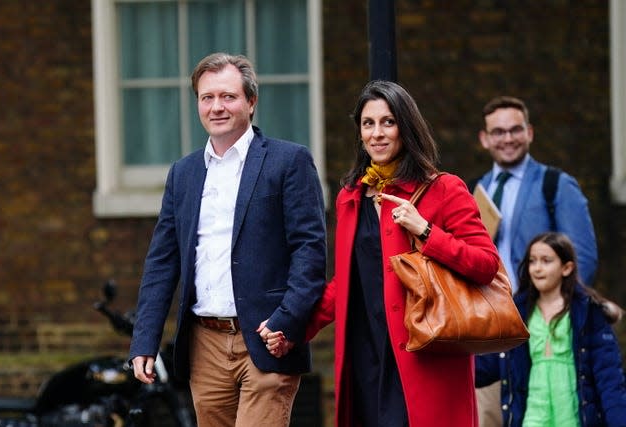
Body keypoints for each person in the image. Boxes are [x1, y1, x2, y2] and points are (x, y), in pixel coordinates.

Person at [271, 80, 499, 426]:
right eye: (368, 123)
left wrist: (425, 230)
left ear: (405, 128)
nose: (377, 133)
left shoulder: (444, 189)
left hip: (424, 354)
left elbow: (485, 265)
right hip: (366, 354)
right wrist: (296, 329)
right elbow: (347, 282)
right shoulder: (351, 197)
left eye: (388, 122)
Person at [128, 52, 327, 427]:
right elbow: (162, 262)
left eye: (228, 97)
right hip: (205, 344)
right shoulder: (183, 173)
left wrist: (286, 319)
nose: (217, 107)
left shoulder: (289, 162)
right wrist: (144, 341)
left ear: (251, 102)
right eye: (207, 98)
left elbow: (310, 252)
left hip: (268, 338)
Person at [472, 95, 599, 426]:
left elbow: (582, 256)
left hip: (538, 326)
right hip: (487, 327)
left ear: (529, 133)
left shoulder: (555, 185)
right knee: (488, 416)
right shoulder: (474, 191)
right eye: (498, 132)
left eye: (515, 130)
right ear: (485, 139)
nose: (508, 138)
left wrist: (554, 315)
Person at [476, 232, 626, 426]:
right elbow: (489, 365)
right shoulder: (517, 313)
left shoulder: (589, 314)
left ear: (566, 268)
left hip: (573, 420)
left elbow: (609, 379)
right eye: (532, 261)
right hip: (532, 419)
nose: (537, 268)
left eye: (546, 261)